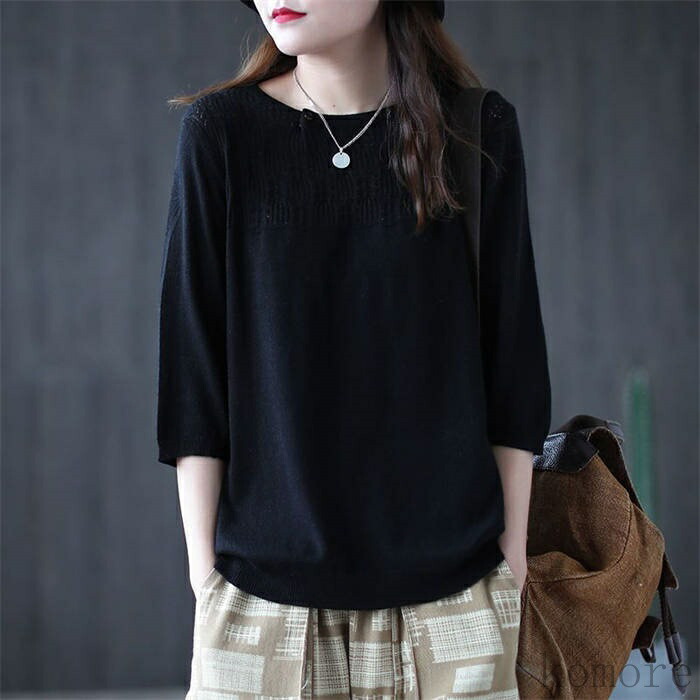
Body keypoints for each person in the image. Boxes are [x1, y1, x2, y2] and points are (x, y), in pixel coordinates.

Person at [157, 0, 551, 696]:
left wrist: (509, 565)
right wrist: (205, 578)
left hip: (455, 600)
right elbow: (194, 372)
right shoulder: (222, 134)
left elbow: (512, 365)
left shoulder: (475, 130)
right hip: (260, 603)